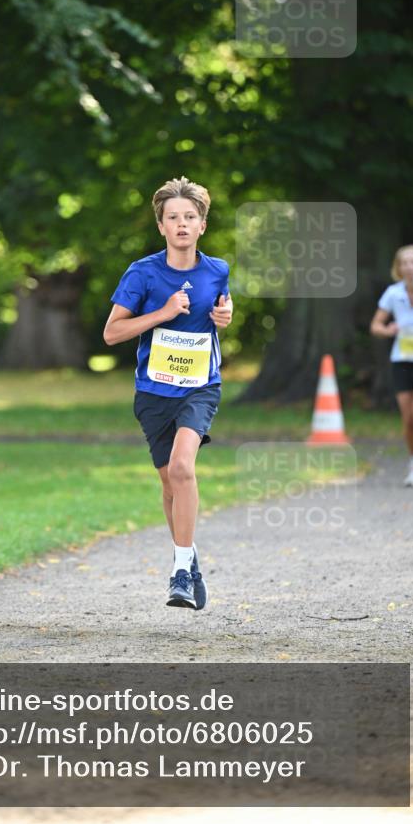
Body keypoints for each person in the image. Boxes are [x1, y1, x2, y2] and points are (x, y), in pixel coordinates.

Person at [103, 175, 232, 610]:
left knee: (182, 468)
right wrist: (161, 313)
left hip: (200, 387)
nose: (181, 224)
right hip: (153, 393)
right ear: (161, 226)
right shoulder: (142, 273)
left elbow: (221, 308)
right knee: (169, 482)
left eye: (189, 217)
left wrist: (224, 316)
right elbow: (112, 333)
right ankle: (189, 556)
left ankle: (178, 571)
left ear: (202, 226)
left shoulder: (217, 271)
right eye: (172, 217)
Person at [370, 244, 413, 487]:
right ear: (399, 268)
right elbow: (375, 326)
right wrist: (388, 329)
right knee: (407, 420)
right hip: (402, 360)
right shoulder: (393, 294)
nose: (409, 267)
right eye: (404, 263)